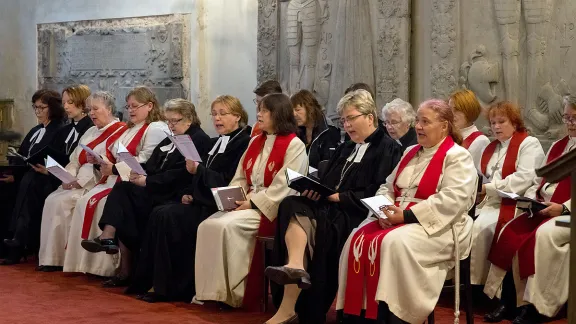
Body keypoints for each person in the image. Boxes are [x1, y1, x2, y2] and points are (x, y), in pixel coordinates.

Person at [336, 99, 478, 324]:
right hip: (397, 217)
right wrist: (383, 211)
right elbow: (387, 186)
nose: (418, 127)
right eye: (418, 121)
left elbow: (452, 200)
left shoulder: (457, 156)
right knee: (356, 237)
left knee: (394, 243)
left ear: (444, 126)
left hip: (440, 226)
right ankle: (359, 317)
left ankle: (395, 316)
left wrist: (406, 216)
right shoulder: (410, 151)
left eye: (425, 122)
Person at [266, 90, 401, 324]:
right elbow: (327, 181)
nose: (346, 125)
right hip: (328, 207)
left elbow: (380, 190)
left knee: (315, 225)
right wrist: (313, 188)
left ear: (370, 117)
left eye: (351, 118)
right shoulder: (346, 147)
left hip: (355, 214)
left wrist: (341, 197)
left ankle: (290, 307)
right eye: (343, 120)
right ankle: (295, 267)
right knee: (290, 203)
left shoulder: (388, 148)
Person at [128, 95, 252, 303]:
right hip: (202, 200)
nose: (217, 119)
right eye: (214, 114)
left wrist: (198, 171)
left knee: (168, 215)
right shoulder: (218, 141)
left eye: (222, 114)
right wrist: (191, 193)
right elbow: (202, 174)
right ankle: (153, 282)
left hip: (218, 204)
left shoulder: (243, 142)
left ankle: (171, 288)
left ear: (237, 116)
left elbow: (227, 179)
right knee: (161, 212)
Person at [79, 98, 211, 286]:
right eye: (169, 121)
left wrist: (147, 180)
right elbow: (152, 163)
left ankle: (110, 242)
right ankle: (113, 247)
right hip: (157, 187)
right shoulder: (170, 137)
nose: (171, 125)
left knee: (126, 202)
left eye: (176, 121)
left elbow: (181, 174)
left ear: (189, 119)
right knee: (124, 190)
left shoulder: (197, 139)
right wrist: (136, 171)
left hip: (174, 192)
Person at [194, 93, 308, 309]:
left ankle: (235, 294)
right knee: (206, 225)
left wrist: (253, 202)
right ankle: (211, 292)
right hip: (247, 202)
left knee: (225, 227)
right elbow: (240, 176)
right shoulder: (256, 141)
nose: (259, 114)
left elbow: (284, 185)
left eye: (265, 110)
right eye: (260, 110)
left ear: (279, 114)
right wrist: (233, 198)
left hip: (269, 208)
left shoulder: (295, 145)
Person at [482, 96, 576, 324]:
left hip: (568, 214)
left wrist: (563, 208)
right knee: (511, 230)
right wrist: (533, 199)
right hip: (544, 207)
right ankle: (512, 301)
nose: (570, 123)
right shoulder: (558, 145)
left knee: (542, 236)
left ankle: (539, 306)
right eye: (567, 117)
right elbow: (541, 179)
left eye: (575, 118)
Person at [62, 86, 169, 278]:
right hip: (124, 181)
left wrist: (114, 168)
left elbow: (147, 160)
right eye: (128, 106)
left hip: (144, 184)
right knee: (105, 200)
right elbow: (117, 153)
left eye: (135, 106)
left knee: (110, 202)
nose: (131, 110)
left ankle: (111, 258)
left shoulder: (156, 128)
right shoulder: (130, 128)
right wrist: (102, 161)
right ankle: (106, 255)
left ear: (150, 106)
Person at [38, 91, 125, 272]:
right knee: (51, 200)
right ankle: (54, 258)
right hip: (76, 180)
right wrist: (67, 177)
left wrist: (81, 182)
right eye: (89, 110)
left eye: (95, 109)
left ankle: (84, 263)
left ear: (109, 109)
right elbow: (75, 159)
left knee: (64, 202)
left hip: (95, 182)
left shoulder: (120, 131)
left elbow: (113, 164)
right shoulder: (90, 131)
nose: (91, 113)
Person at [470, 101, 545, 285]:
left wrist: (488, 188)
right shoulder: (492, 147)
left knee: (481, 228)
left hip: (515, 203)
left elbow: (523, 179)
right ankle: (467, 283)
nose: (496, 126)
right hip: (488, 202)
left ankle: (485, 287)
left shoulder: (529, 144)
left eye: (501, 121)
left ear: (514, 122)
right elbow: (480, 177)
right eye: (492, 122)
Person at [1, 89, 67, 265]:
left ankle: (19, 241)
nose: (38, 111)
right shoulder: (36, 130)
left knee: (30, 181)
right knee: (5, 186)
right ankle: (6, 242)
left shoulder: (60, 130)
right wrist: (14, 174)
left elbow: (60, 159)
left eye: (42, 108)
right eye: (35, 107)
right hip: (29, 175)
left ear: (53, 108)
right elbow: (23, 154)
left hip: (48, 179)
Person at [291, 89, 340, 168]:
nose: (294, 114)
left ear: (310, 109)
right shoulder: (298, 130)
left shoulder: (328, 131)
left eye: (297, 110)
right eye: (292, 110)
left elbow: (328, 165)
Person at [448, 89, 490, 169]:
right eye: (450, 110)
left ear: (469, 111)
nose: (452, 114)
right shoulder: (445, 136)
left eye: (457, 110)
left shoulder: (480, 141)